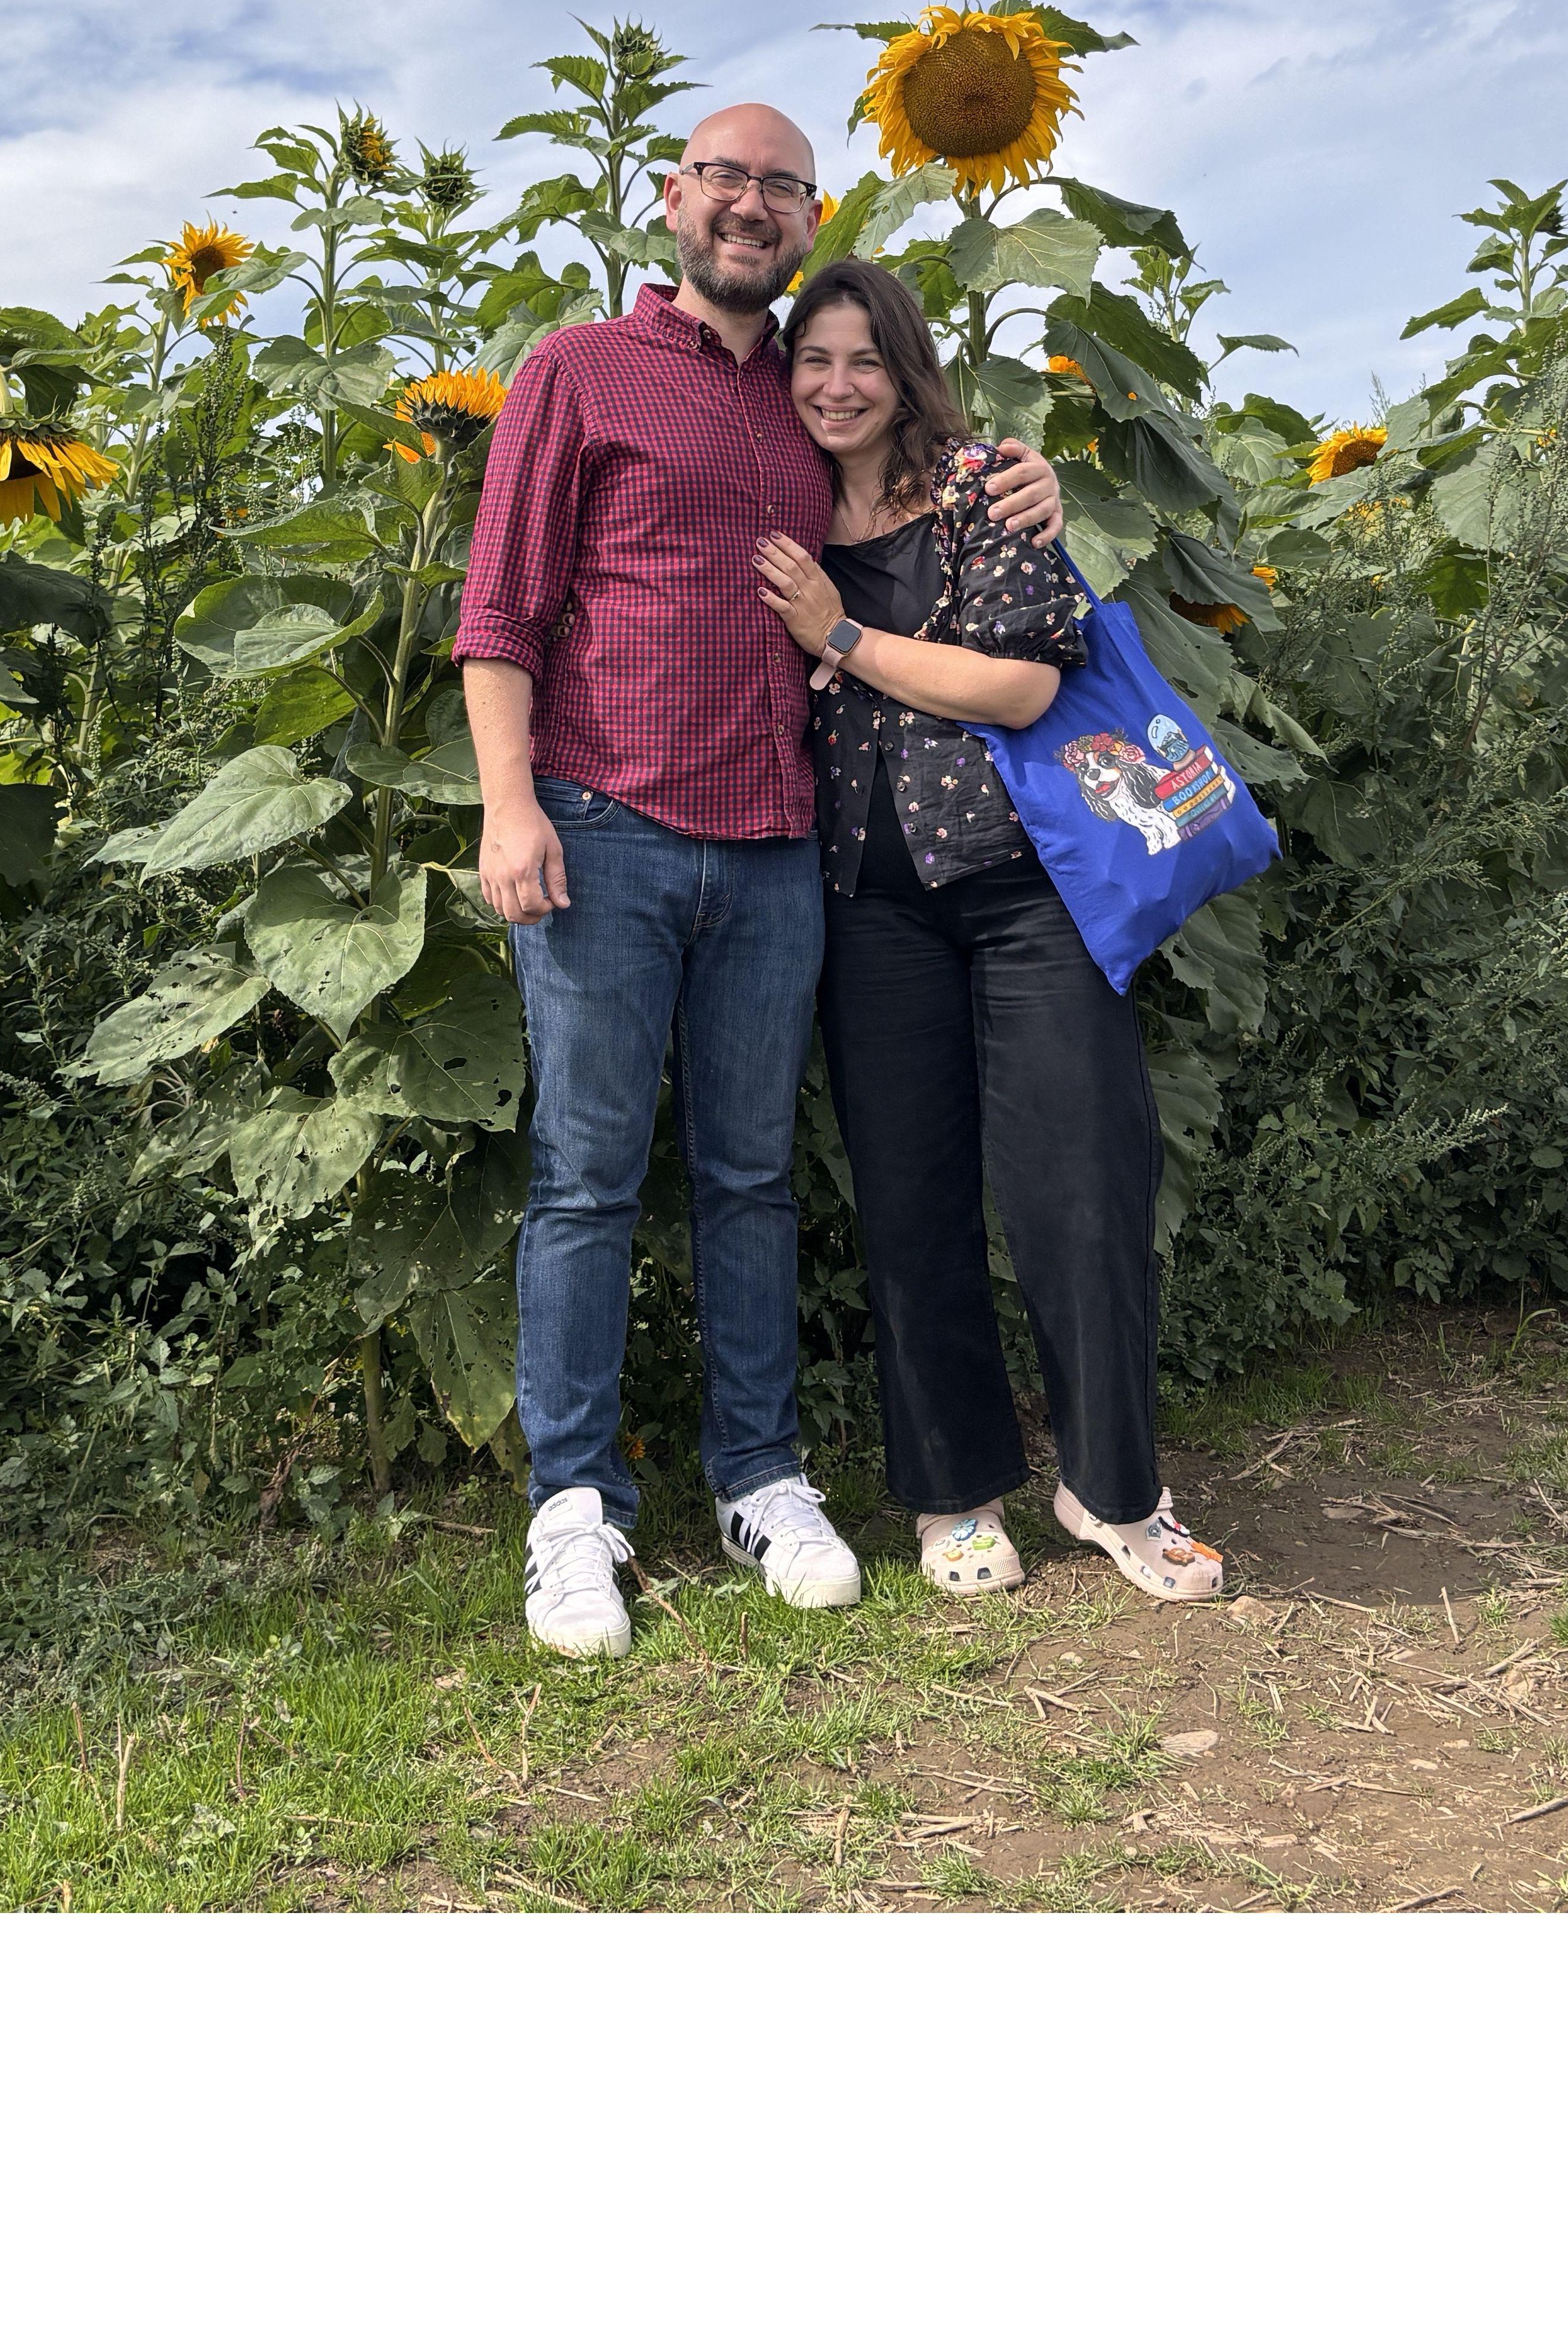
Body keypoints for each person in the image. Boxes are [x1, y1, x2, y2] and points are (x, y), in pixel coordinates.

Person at [456, 103, 1067, 1659]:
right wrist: (508, 807)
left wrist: (1028, 477)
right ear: (675, 199)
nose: (748, 205)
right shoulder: (576, 369)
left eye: (779, 187)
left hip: (777, 847)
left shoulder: (814, 396)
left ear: (808, 216)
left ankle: (762, 1472)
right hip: (600, 831)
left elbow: (933, 473)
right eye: (724, 177)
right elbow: (502, 609)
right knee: (587, 1179)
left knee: (748, 1178)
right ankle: (574, 1509)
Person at [750, 256, 1223, 1608]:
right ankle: (953, 1493)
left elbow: (1017, 688)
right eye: (813, 362)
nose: (838, 386)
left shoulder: (979, 489)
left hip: (1028, 891)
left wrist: (838, 633)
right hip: (864, 902)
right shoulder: (779, 508)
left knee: (1084, 1183)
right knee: (910, 1203)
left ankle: (1117, 1491)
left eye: (866, 360)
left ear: (907, 372)